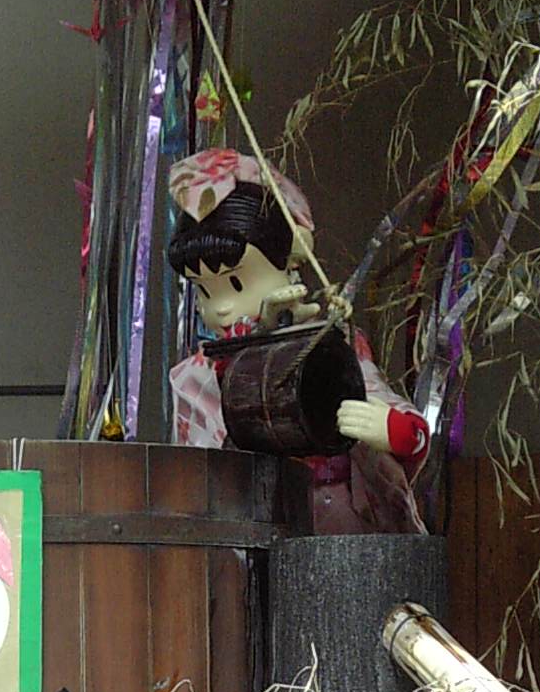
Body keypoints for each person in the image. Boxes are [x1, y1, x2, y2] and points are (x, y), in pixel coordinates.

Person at [166, 151, 429, 532]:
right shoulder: (198, 376)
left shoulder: (331, 342)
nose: (221, 308)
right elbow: (197, 466)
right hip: (258, 520)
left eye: (238, 284)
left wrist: (397, 432)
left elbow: (375, 395)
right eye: (205, 292)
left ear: (290, 263)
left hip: (340, 515)